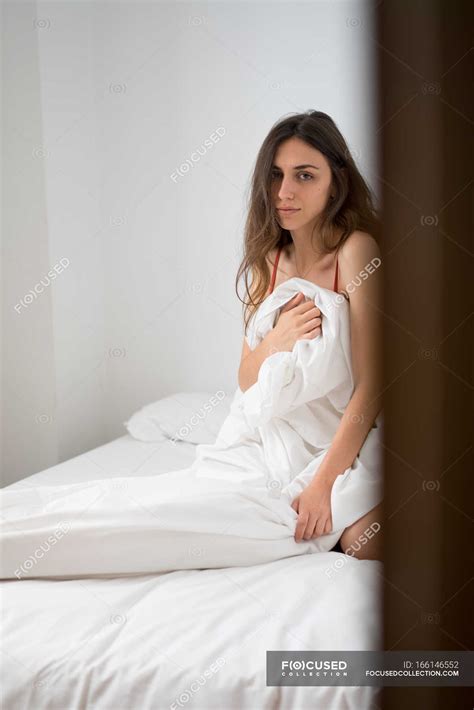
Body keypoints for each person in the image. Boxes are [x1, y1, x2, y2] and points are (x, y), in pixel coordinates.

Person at [235, 110, 383, 559]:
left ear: (335, 183)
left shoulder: (356, 251)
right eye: (276, 175)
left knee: (360, 541)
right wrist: (278, 339)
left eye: (304, 175)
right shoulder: (268, 263)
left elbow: (374, 383)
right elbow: (246, 380)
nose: (284, 192)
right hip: (288, 434)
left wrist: (322, 485)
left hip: (350, 432)